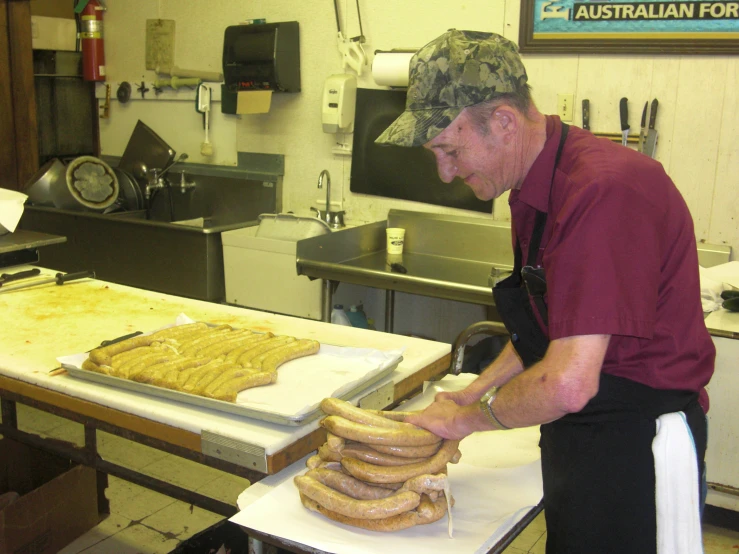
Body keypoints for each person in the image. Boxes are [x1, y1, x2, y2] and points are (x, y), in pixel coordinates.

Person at [375, 29, 714, 553]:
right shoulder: (535, 187)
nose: (445, 173)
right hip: (581, 437)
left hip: (637, 448)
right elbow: (549, 331)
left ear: (504, 122)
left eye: (449, 149)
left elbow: (567, 382)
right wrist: (469, 392)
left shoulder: (603, 192)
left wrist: (469, 419)